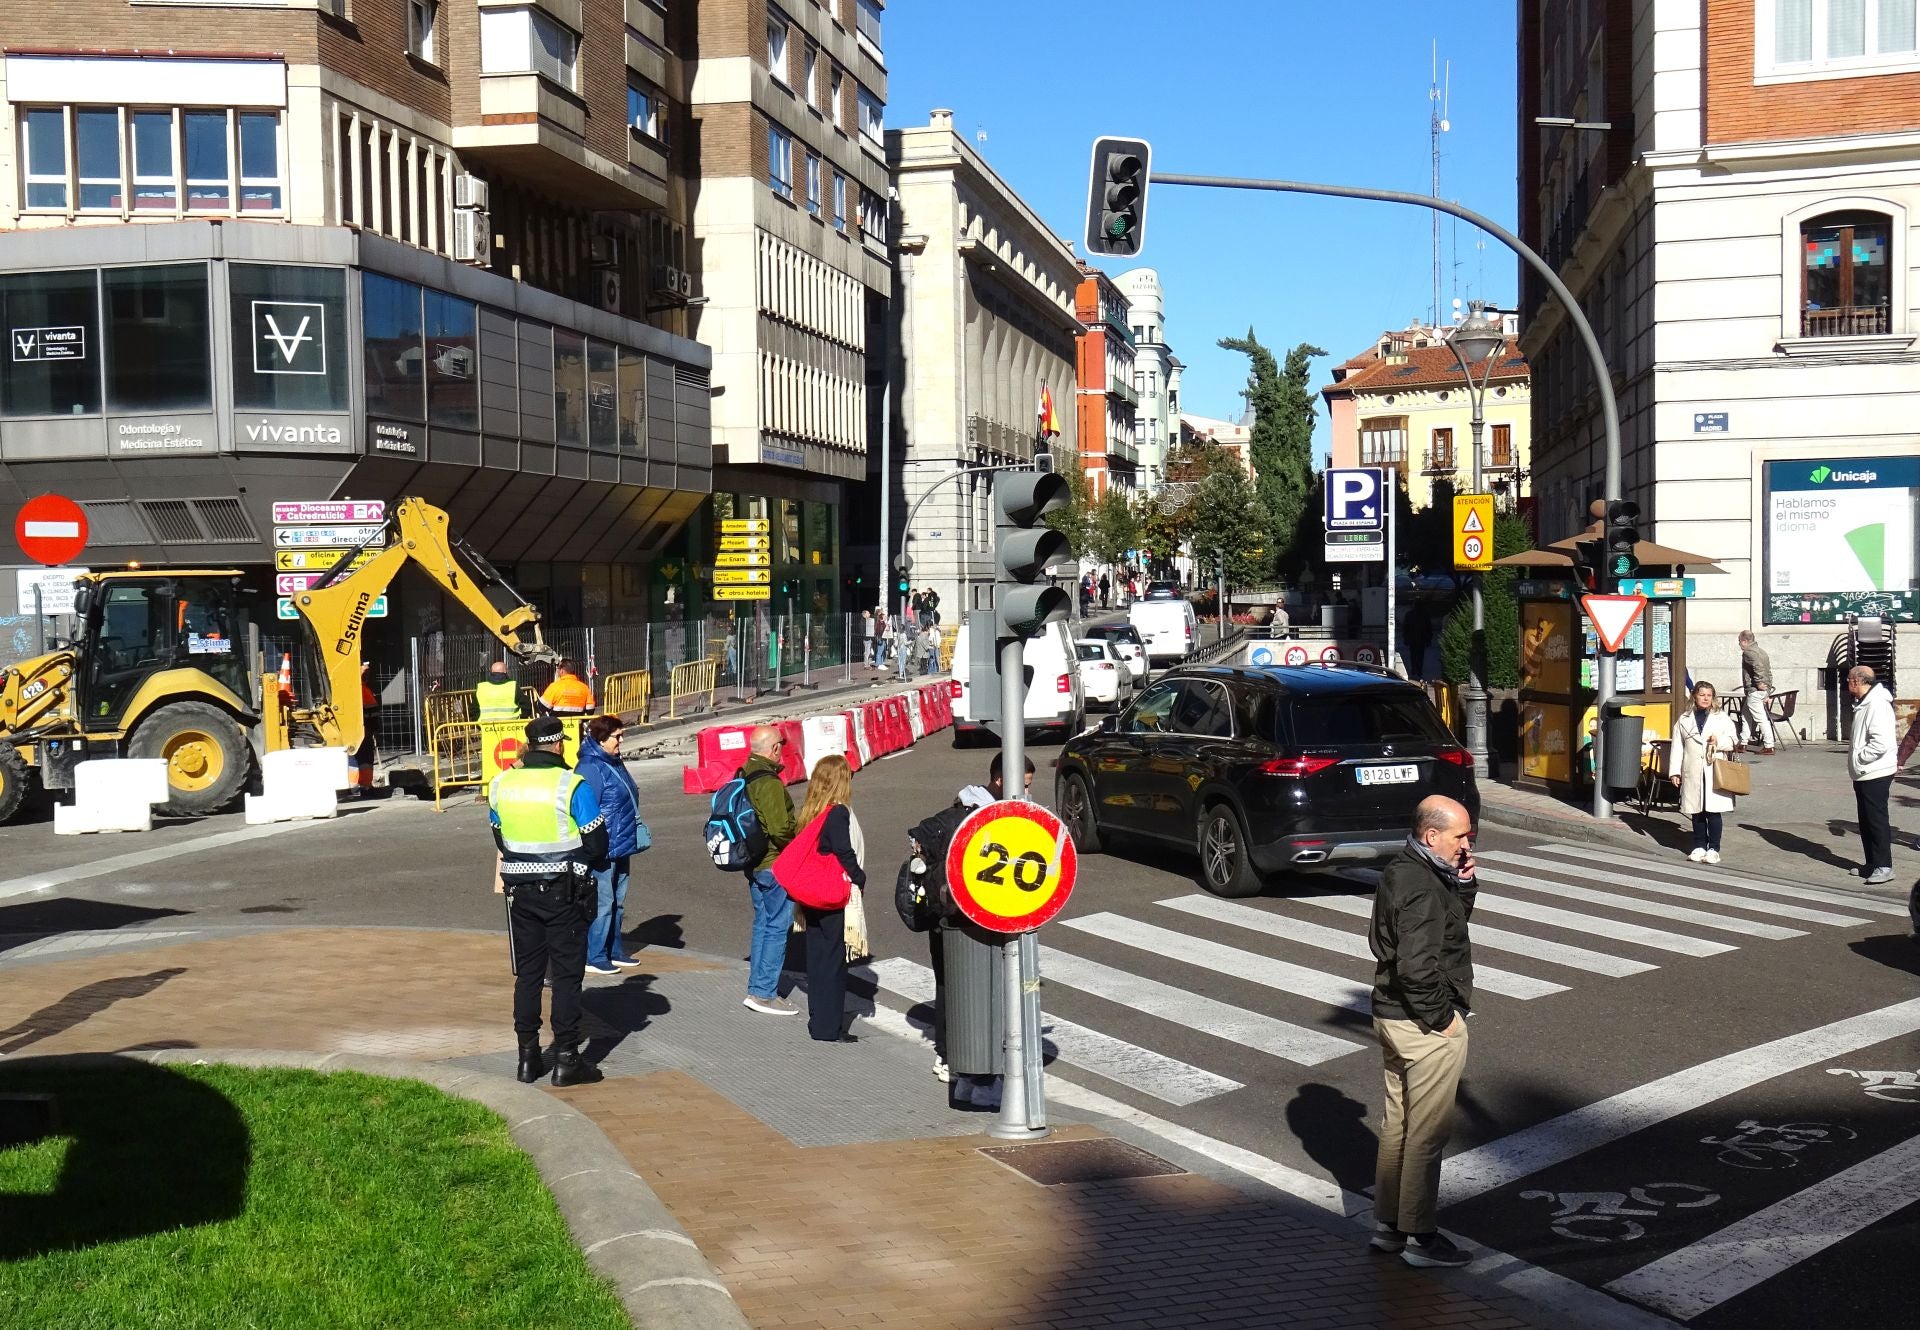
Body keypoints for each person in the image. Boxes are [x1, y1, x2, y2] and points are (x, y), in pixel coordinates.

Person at [1368, 795, 1477, 1269]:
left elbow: (1446, 929)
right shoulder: (1422, 886)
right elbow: (1417, 967)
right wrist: (1443, 1020)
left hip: (1390, 1014)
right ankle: (1420, 1236)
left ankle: (1389, 1228)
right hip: (1421, 1024)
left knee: (1399, 1126)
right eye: (1460, 835)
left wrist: (1464, 884)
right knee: (1426, 1134)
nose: (1466, 843)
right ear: (1432, 835)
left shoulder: (1406, 869)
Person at [489, 715, 608, 1086]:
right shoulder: (570, 785)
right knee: (567, 977)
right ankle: (567, 1059)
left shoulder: (501, 784)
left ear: (530, 746)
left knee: (528, 975)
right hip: (564, 892)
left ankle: (527, 1059)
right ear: (558, 745)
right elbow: (597, 844)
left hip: (520, 893)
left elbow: (500, 838)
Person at [907, 752, 1033, 1100]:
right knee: (958, 989)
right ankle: (954, 1059)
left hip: (978, 918)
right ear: (1000, 780)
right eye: (1022, 786)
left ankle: (971, 1059)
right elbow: (919, 839)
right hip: (958, 921)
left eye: (1028, 787)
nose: (1026, 793)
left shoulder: (1002, 814)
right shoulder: (968, 815)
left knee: (973, 989)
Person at [787, 754, 866, 1042]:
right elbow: (844, 851)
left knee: (818, 960)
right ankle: (829, 1027)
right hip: (831, 895)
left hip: (811, 895)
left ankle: (818, 1020)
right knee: (833, 963)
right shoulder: (838, 812)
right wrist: (859, 877)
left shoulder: (812, 810)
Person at [576, 715, 646, 976]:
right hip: (604, 846)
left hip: (622, 843)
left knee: (617, 901)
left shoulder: (613, 762)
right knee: (603, 902)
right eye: (617, 736)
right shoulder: (590, 767)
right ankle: (594, 956)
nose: (622, 740)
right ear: (601, 739)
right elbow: (586, 808)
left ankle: (614, 950)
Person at [740, 725, 800, 1013]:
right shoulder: (768, 781)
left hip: (752, 860)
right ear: (774, 748)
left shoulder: (743, 773)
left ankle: (756, 987)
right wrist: (798, 846)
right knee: (777, 926)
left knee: (763, 923)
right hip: (773, 863)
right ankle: (764, 993)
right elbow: (779, 829)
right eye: (780, 746)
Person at [1672, 680, 1739, 864]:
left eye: (1709, 695)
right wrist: (1675, 772)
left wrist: (1718, 742)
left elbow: (1734, 740)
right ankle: (1699, 845)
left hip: (1714, 769)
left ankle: (1714, 849)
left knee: (1713, 811)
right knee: (1696, 811)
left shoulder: (1721, 717)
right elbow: (1677, 747)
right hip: (1692, 769)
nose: (1706, 698)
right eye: (1702, 695)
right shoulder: (1684, 719)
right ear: (1694, 696)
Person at [1848, 665, 1897, 885]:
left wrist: (1860, 758)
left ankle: (1884, 866)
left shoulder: (1877, 704)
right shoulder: (1865, 702)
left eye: (1848, 680)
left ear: (1857, 681)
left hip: (1875, 771)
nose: (1847, 684)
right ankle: (1873, 863)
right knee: (1866, 821)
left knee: (1876, 820)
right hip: (1865, 772)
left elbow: (1881, 743)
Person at [1738, 630, 1775, 754]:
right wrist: (1768, 690)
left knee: (1761, 719)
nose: (1739, 644)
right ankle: (1743, 742)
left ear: (1744, 641)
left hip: (1754, 690)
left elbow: (1757, 667)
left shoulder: (1748, 652)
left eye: (1739, 641)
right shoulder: (1762, 652)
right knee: (1745, 715)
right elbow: (1768, 671)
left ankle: (1769, 745)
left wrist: (1759, 682)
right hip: (1760, 690)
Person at [349, 663, 378, 797]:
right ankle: (360, 787)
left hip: (363, 730)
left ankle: (363, 786)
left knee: (362, 760)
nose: (367, 675)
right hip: (362, 731)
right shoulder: (359, 690)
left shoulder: (362, 689)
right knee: (361, 759)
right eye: (365, 673)